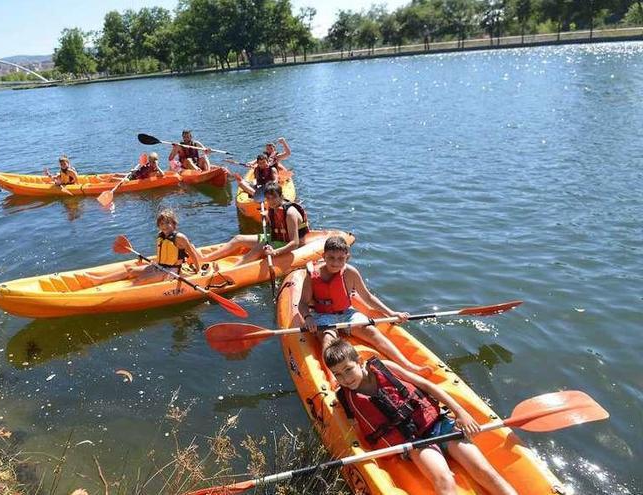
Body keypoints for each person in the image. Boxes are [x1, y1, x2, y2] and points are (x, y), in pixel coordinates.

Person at [322, 339, 518, 495]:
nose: (346, 379)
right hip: (413, 442)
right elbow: (355, 427)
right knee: (444, 480)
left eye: (348, 369)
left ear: (360, 362)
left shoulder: (385, 367)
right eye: (338, 375)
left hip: (440, 425)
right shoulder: (345, 398)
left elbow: (427, 386)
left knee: (485, 472)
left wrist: (460, 412)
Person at [299, 236, 430, 375]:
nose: (335, 263)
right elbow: (302, 303)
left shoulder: (351, 273)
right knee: (328, 340)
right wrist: (308, 317)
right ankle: (334, 377)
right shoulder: (313, 275)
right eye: (331, 257)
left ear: (347, 258)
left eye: (340, 258)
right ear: (324, 256)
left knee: (372, 331)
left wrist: (391, 313)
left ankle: (408, 367)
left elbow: (367, 297)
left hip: (346, 313)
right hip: (322, 315)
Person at [87, 209, 204, 285]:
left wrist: (198, 271)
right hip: (159, 266)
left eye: (168, 223)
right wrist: (154, 262)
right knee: (130, 271)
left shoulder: (180, 237)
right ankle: (100, 280)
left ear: (174, 224)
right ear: (159, 225)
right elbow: (162, 254)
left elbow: (191, 254)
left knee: (140, 280)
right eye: (162, 224)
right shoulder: (161, 236)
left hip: (172, 271)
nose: (165, 226)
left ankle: (125, 293)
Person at [203, 182, 308, 265]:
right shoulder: (273, 207)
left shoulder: (290, 213)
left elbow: (295, 243)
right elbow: (277, 223)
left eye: (274, 197)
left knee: (260, 247)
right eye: (268, 198)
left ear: (281, 196)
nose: (271, 201)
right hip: (278, 237)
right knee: (238, 238)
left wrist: (274, 252)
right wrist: (267, 215)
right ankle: (206, 259)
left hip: (289, 243)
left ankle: (233, 269)